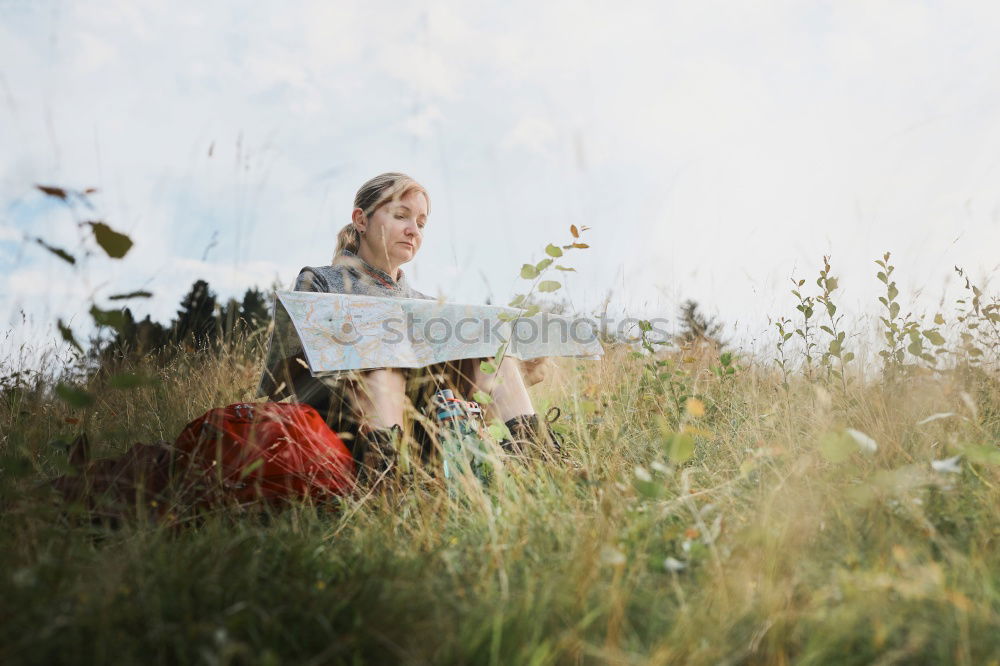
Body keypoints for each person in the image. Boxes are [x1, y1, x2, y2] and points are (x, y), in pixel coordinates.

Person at [283, 172, 559, 479]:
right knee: (382, 362)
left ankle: (537, 464)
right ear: (361, 220)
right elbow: (296, 372)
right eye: (401, 216)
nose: (413, 230)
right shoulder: (320, 281)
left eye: (421, 223)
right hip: (344, 424)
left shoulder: (426, 305)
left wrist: (520, 365)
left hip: (424, 426)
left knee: (494, 352)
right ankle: (385, 480)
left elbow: (447, 380)